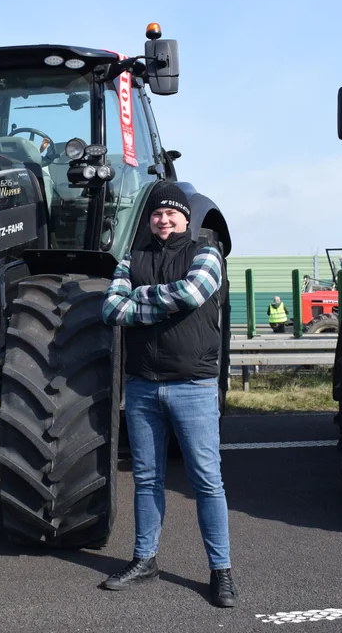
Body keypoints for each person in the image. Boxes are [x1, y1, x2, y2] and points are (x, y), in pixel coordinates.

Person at [100, 182, 237, 608]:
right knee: (146, 480)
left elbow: (195, 292)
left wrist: (139, 298)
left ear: (185, 218)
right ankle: (145, 561)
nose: (164, 219)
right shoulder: (131, 258)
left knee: (206, 481)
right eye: (157, 214)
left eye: (172, 213)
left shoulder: (205, 253)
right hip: (142, 387)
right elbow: (110, 309)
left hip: (192, 386)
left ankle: (222, 571)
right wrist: (163, 301)